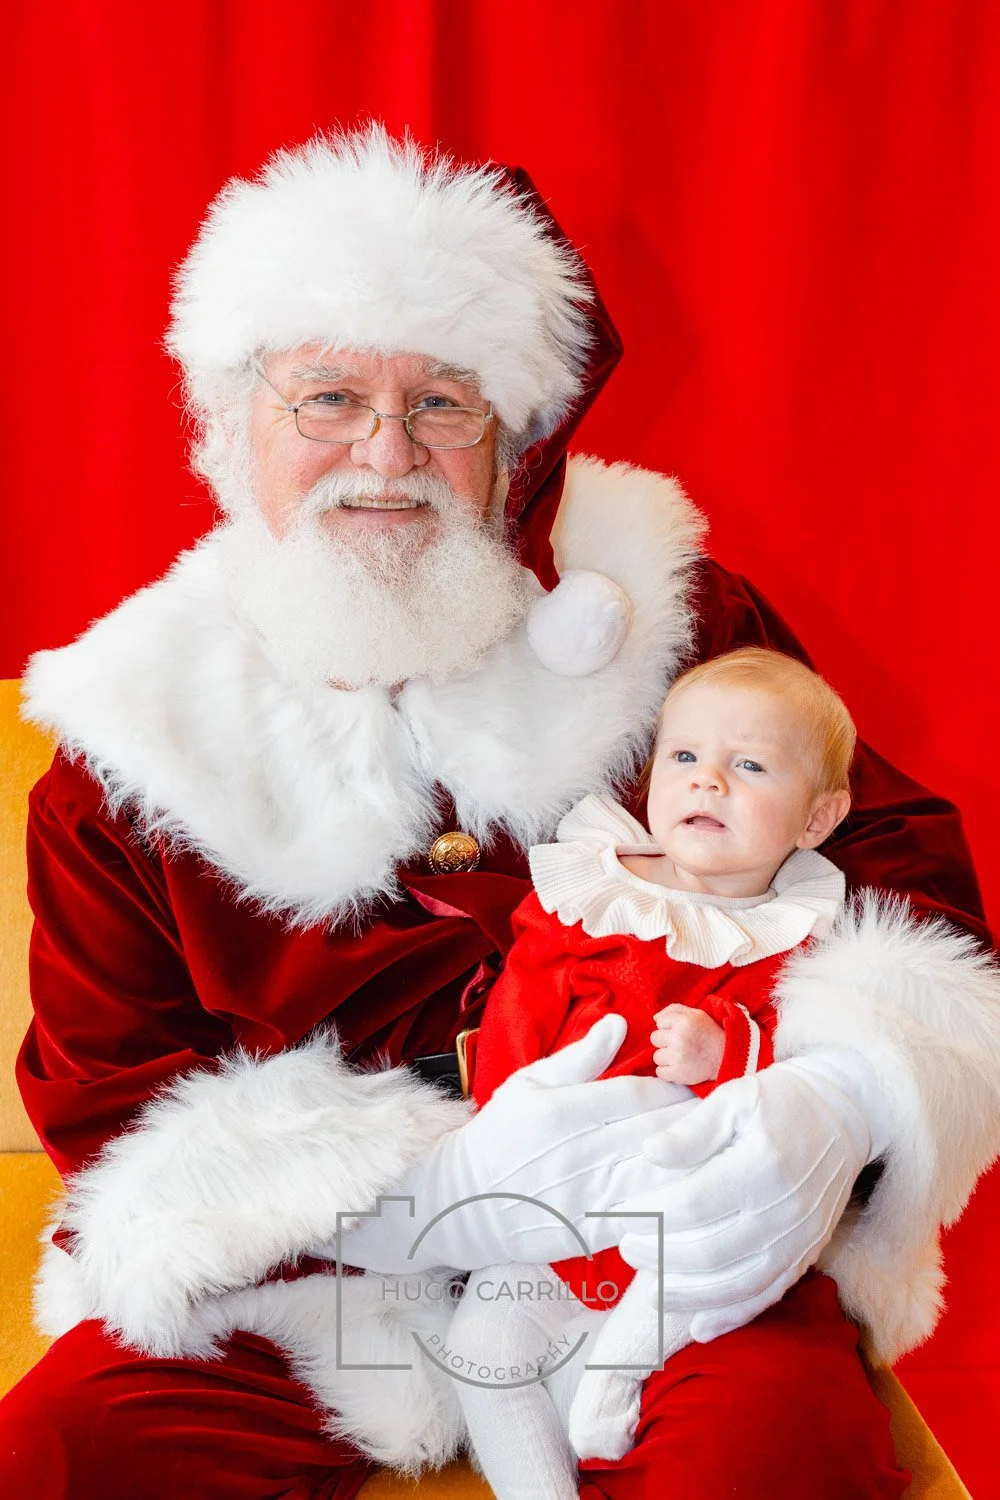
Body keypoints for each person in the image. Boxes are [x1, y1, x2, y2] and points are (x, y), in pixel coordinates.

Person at [1, 126, 998, 1498]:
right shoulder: (135, 739)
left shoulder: (674, 620)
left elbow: (891, 864)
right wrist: (416, 1194)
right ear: (233, 423)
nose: (385, 453)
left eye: (441, 403)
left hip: (661, 1231)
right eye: (328, 398)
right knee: (54, 1459)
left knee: (771, 1460)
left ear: (518, 434)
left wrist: (833, 1101)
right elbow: (112, 1089)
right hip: (326, 1273)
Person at [445, 647, 857, 1497]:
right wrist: (501, 1132)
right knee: (482, 1350)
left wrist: (728, 1052)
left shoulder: (796, 940)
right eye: (685, 756)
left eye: (749, 766)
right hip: (554, 1199)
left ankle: (611, 1391)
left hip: (687, 1221)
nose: (708, 781)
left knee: (669, 1326)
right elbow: (519, 1011)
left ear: (816, 818)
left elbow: (813, 1081)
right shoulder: (594, 895)